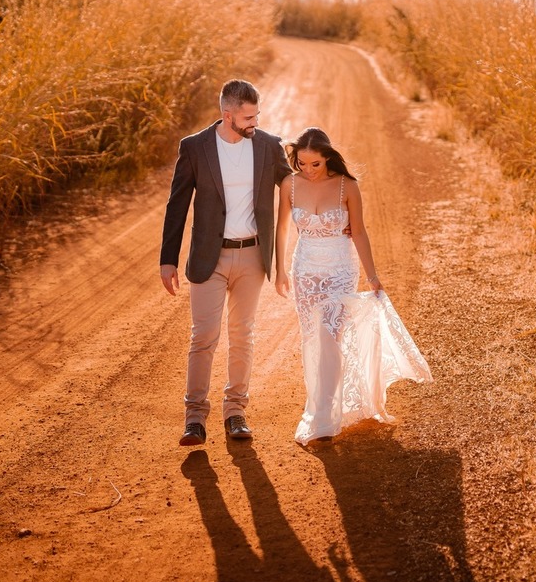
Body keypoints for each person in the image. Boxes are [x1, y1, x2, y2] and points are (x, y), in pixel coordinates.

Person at [273, 127, 432, 445]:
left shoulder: (348, 187)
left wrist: (372, 276)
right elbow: (280, 230)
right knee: (313, 340)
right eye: (302, 163)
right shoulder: (290, 185)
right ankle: (322, 408)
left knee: (330, 338)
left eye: (315, 164)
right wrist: (280, 271)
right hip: (305, 269)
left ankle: (324, 419)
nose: (308, 170)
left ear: (328, 158)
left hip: (340, 269)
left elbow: (359, 232)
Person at [160, 79, 291, 446]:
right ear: (227, 114)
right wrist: (167, 260)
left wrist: (336, 194)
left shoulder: (268, 146)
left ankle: (236, 412)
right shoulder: (195, 147)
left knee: (242, 335)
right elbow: (177, 204)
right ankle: (194, 419)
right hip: (208, 257)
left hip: (252, 255)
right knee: (203, 337)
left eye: (257, 115)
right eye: (248, 117)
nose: (255, 122)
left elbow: (295, 185)